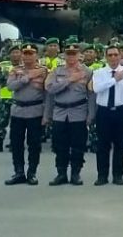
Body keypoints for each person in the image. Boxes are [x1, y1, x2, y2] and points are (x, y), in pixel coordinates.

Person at [43, 45, 92, 186]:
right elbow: (50, 90)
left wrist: (91, 114)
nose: (71, 57)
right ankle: (61, 174)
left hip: (79, 112)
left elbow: (91, 95)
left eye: (74, 54)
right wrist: (69, 80)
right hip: (60, 113)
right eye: (68, 54)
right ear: (64, 55)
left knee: (78, 145)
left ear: (79, 56)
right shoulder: (56, 71)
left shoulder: (87, 72)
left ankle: (76, 174)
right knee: (60, 146)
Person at [91, 46, 123, 186]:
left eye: (115, 55)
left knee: (120, 145)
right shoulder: (99, 72)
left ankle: (118, 175)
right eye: (110, 55)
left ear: (120, 56)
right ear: (105, 56)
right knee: (102, 145)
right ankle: (102, 176)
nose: (113, 57)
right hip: (104, 111)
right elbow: (96, 88)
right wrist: (114, 80)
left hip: (121, 111)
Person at [4, 44, 47, 186]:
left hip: (35, 111)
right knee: (16, 143)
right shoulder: (16, 70)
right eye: (25, 53)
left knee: (34, 144)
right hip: (18, 111)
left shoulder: (43, 71)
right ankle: (19, 172)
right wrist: (26, 77)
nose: (28, 56)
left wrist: (47, 114)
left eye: (31, 53)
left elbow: (48, 93)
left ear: (37, 55)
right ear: (22, 55)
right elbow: (10, 86)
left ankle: (32, 172)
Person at [0, 45, 22, 153]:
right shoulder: (3, 65)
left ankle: (14, 143)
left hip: (19, 98)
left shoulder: (24, 66)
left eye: (17, 52)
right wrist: (5, 76)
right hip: (5, 97)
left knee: (16, 123)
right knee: (1, 121)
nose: (15, 55)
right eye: (13, 53)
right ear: (9, 54)